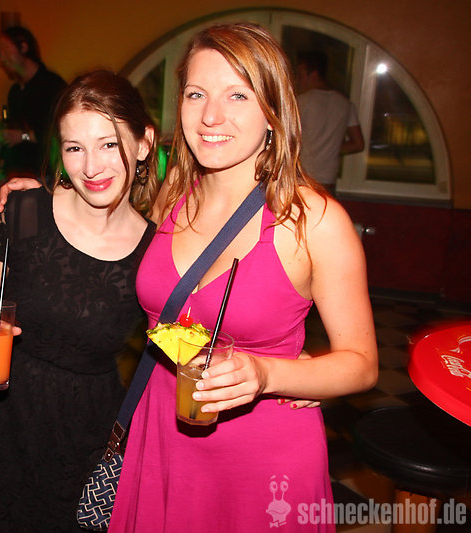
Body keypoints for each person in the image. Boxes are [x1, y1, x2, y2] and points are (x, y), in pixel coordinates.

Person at [107, 23, 378, 532]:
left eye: (237, 95)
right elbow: (101, 216)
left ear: (273, 111)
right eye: (196, 94)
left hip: (262, 460)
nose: (211, 116)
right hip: (161, 430)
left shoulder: (314, 221)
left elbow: (362, 366)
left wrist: (268, 373)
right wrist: (35, 198)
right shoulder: (174, 193)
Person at [0, 70, 158, 532]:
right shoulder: (24, 211)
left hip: (82, 435)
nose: (92, 167)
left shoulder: (155, 252)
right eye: (74, 148)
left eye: (108, 144)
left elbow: (186, 338)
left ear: (144, 143)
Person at [0, 25, 66, 178]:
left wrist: (23, 136)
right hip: (19, 170)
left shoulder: (52, 85)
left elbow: (59, 132)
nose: (2, 59)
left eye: (5, 50)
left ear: (23, 47)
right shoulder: (15, 92)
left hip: (45, 172)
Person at [295, 50, 365, 195]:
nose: (298, 81)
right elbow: (358, 144)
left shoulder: (303, 102)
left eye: (301, 76)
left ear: (314, 75)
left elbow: (285, 136)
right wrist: (330, 148)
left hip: (303, 181)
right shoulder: (345, 103)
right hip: (328, 181)